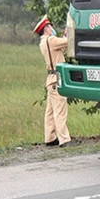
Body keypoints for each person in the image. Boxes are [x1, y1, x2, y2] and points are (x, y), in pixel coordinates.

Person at [34, 15, 71, 147]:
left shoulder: (44, 42)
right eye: (50, 27)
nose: (52, 29)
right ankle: (64, 139)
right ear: (46, 29)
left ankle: (50, 137)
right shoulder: (51, 40)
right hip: (57, 78)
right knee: (60, 110)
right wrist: (68, 33)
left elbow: (61, 47)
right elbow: (68, 41)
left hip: (50, 79)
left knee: (50, 111)